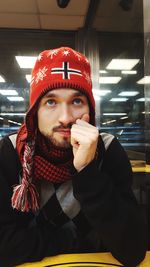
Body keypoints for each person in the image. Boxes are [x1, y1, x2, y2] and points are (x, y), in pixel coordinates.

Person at [0, 47, 148, 267]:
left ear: (90, 108)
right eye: (50, 101)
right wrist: (67, 241)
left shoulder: (107, 150)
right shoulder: (11, 152)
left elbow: (133, 250)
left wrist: (86, 170)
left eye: (77, 101)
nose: (66, 118)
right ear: (34, 112)